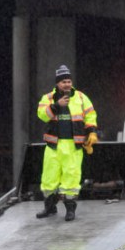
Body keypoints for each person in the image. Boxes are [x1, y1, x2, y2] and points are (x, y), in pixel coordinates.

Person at [35, 64, 98, 221]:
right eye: (63, 82)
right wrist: (57, 106)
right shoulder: (47, 98)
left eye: (69, 81)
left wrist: (91, 132)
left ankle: (70, 211)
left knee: (71, 178)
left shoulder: (81, 97)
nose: (67, 84)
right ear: (57, 83)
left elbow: (90, 115)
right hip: (53, 145)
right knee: (49, 179)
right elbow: (42, 115)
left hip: (73, 146)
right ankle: (49, 208)